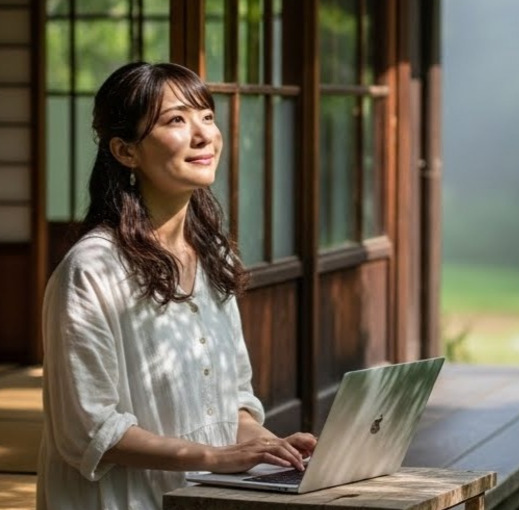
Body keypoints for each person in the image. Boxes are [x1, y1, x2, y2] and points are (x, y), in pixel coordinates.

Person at [37, 61, 316, 509]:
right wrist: (217, 457)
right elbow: (91, 431)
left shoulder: (214, 257)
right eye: (176, 121)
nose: (204, 134)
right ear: (126, 152)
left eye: (207, 116)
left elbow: (233, 403)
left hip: (203, 498)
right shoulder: (91, 271)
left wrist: (274, 449)